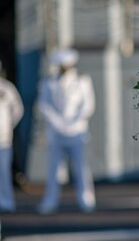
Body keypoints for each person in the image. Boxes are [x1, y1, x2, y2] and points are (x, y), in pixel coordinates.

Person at [37, 48, 96, 214]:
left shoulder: (82, 81)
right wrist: (58, 122)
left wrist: (75, 121)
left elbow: (87, 104)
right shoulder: (49, 83)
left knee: (81, 168)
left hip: (77, 132)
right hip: (56, 133)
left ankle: (86, 200)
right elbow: (44, 105)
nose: (65, 69)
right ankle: (50, 201)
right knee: (54, 169)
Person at [0, 61, 24, 212]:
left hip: (3, 139)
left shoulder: (7, 88)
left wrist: (8, 126)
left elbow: (18, 110)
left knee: (4, 171)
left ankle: (7, 201)